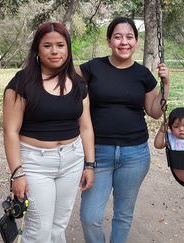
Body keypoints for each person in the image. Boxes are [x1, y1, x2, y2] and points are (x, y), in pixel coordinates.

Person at [77, 17, 170, 243]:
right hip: (97, 152)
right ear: (109, 41)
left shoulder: (143, 75)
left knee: (123, 214)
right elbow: (64, 81)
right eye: (118, 37)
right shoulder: (92, 68)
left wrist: (166, 85)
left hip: (134, 154)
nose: (124, 42)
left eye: (129, 37)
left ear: (136, 42)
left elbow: (154, 111)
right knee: (90, 216)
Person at [2, 22, 95, 243]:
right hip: (35, 162)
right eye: (47, 45)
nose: (55, 51)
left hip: (72, 159)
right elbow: (10, 131)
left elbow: (86, 126)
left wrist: (89, 165)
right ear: (37, 49)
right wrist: (17, 172)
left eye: (60, 45)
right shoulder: (22, 83)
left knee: (58, 227)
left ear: (68, 49)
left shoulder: (78, 83)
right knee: (39, 230)